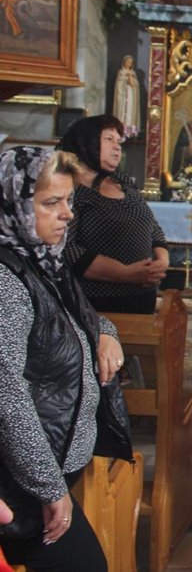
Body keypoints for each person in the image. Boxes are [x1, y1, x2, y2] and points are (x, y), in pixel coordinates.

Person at [0, 147, 126, 571]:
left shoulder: (40, 261)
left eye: (68, 200)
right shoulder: (6, 282)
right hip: (21, 482)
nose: (67, 214)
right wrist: (49, 488)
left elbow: (76, 319)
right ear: (14, 204)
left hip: (43, 472)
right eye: (51, 203)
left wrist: (106, 334)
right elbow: (8, 397)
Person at [59, 114, 168, 314]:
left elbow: (151, 225)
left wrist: (162, 260)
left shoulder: (123, 182)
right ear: (87, 143)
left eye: (119, 141)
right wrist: (123, 273)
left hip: (142, 295)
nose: (117, 147)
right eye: (109, 139)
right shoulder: (70, 188)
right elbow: (66, 247)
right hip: (97, 301)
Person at [111, 56, 141, 138]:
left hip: (130, 94)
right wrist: (125, 79)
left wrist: (131, 79)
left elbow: (136, 85)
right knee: (122, 110)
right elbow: (119, 84)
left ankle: (129, 130)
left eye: (130, 62)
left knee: (129, 109)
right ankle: (121, 128)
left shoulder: (133, 73)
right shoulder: (121, 72)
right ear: (124, 62)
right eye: (127, 62)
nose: (128, 64)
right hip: (122, 95)